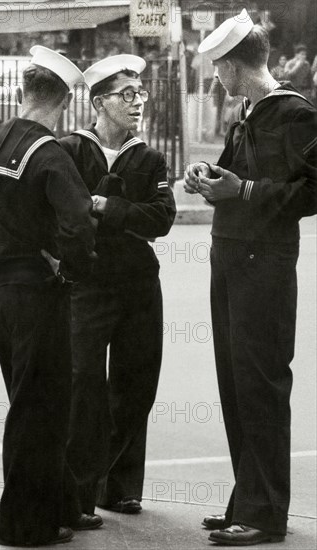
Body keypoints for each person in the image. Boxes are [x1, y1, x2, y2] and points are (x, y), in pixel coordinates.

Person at [0, 46, 99, 547]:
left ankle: (63, 505)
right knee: (39, 411)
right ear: (65, 101)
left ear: (23, 92)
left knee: (36, 399)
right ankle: (25, 526)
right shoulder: (50, 154)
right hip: (35, 296)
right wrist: (71, 270)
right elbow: (78, 224)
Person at [184, 9, 317, 547]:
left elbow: (310, 191)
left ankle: (265, 515)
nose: (217, 80)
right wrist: (208, 177)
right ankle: (247, 501)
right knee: (237, 385)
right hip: (232, 258)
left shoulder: (293, 115)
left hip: (264, 264)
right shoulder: (250, 113)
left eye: (219, 69)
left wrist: (242, 192)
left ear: (236, 68)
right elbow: (243, 176)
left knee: (259, 384)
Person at [57, 54, 176, 517]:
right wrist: (129, 214)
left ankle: (121, 485)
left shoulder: (149, 156)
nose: (138, 102)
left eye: (141, 93)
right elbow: (67, 216)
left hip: (139, 286)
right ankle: (80, 494)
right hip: (85, 284)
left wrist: (108, 207)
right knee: (84, 385)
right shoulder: (69, 150)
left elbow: (161, 220)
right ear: (99, 101)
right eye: (127, 94)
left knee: (136, 385)